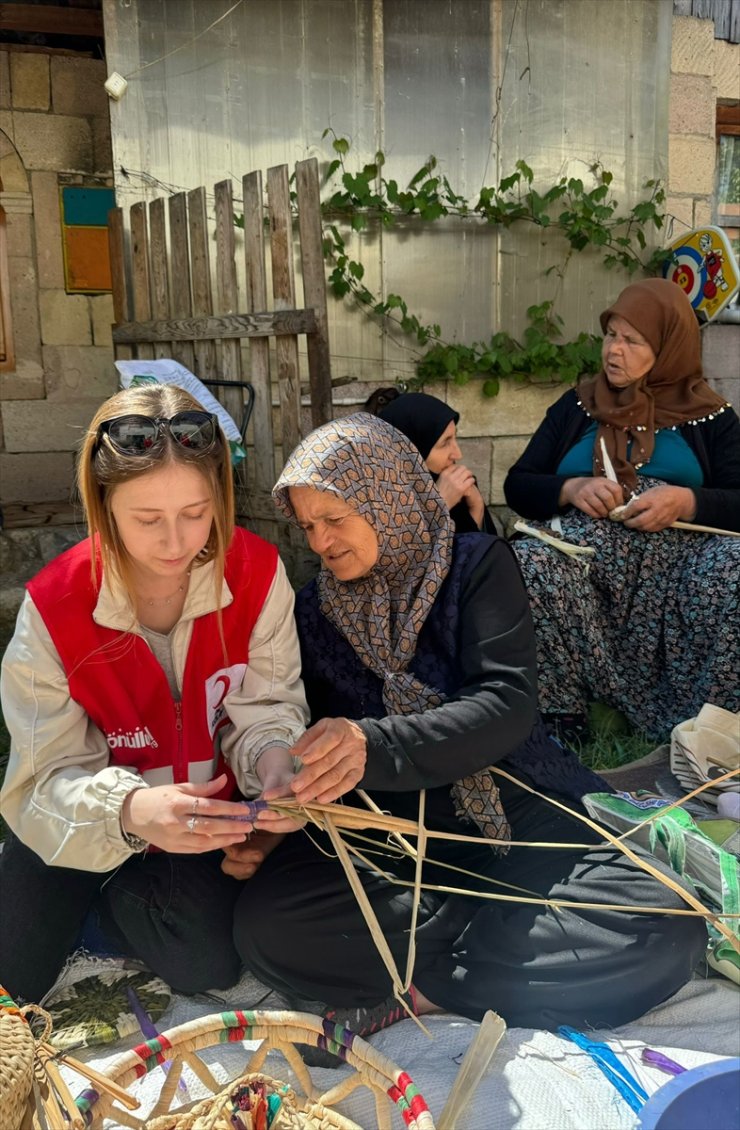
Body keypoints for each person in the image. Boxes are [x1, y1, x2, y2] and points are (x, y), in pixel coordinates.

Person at [232, 413, 706, 1037]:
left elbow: (505, 704)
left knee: (666, 924)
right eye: (310, 525)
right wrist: (285, 810)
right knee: (268, 927)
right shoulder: (314, 614)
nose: (321, 542)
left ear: (388, 500)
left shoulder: (474, 566)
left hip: (518, 814)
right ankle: (493, 947)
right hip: (401, 841)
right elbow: (312, 746)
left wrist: (371, 743)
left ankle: (429, 986)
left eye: (336, 519)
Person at [0, 384, 308, 1003]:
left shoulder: (257, 573)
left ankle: (108, 911)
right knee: (14, 984)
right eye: (146, 520)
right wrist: (129, 812)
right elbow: (40, 783)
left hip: (203, 828)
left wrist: (276, 761)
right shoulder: (55, 605)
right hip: (83, 819)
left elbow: (269, 705)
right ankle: (85, 902)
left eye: (197, 513)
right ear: (103, 505)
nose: (175, 543)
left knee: (208, 962)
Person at [504, 277, 740, 739]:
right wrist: (570, 489)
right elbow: (518, 484)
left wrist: (687, 500)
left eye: (633, 341)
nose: (614, 351)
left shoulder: (711, 417)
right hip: (588, 569)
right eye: (611, 335)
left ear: (668, 346)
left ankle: (709, 724)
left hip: (681, 575)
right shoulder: (575, 407)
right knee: (529, 561)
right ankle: (562, 718)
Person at [371, 389, 498, 534]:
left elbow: (480, 551)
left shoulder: (456, 489)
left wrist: (477, 506)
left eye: (454, 438)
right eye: (445, 443)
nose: (457, 454)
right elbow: (401, 552)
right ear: (412, 451)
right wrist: (437, 506)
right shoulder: (377, 504)